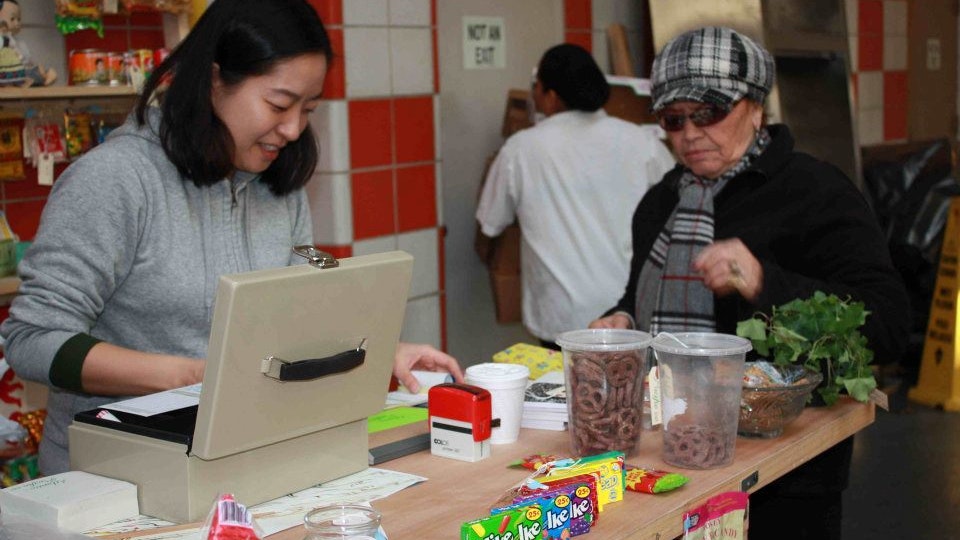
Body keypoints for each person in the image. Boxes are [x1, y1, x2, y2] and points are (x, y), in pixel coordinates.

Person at [0, 0, 461, 476]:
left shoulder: (276, 186)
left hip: (244, 457)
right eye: (279, 105)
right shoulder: (116, 180)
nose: (293, 129)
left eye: (308, 109)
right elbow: (32, 340)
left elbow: (301, 296)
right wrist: (195, 375)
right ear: (215, 80)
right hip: (119, 475)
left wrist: (378, 349)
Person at [589, 27, 908, 539]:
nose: (690, 133)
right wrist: (622, 320)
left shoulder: (815, 191)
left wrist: (764, 282)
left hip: (787, 478)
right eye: (674, 119)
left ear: (756, 107)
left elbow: (889, 323)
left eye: (709, 113)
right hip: (669, 460)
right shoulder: (660, 203)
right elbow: (640, 299)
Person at [476, 43, 674, 349]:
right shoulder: (642, 142)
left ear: (551, 96)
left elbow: (490, 225)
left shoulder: (521, 149)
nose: (534, 94)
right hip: (629, 311)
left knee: (565, 392)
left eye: (537, 87)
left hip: (561, 316)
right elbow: (676, 213)